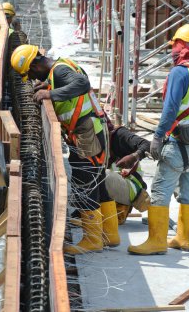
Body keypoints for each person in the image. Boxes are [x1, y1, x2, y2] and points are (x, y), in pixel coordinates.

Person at [10, 44, 120, 254]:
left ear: (36, 63)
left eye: (31, 73)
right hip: (92, 130)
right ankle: (111, 234)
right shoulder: (61, 68)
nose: (32, 77)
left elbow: (81, 83)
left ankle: (93, 239)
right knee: (98, 181)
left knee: (85, 183)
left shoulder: (60, 71)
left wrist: (49, 95)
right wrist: (48, 88)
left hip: (87, 134)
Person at [128, 24, 189, 255]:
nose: (172, 51)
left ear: (182, 46)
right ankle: (183, 238)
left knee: (160, 190)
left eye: (174, 46)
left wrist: (157, 136)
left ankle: (156, 241)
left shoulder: (179, 72)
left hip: (176, 143)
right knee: (187, 190)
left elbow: (170, 109)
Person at [105, 119, 151, 225]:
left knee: (103, 176)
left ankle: (121, 207)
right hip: (118, 187)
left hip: (132, 187)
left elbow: (147, 144)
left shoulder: (118, 135)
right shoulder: (93, 140)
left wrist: (133, 157)